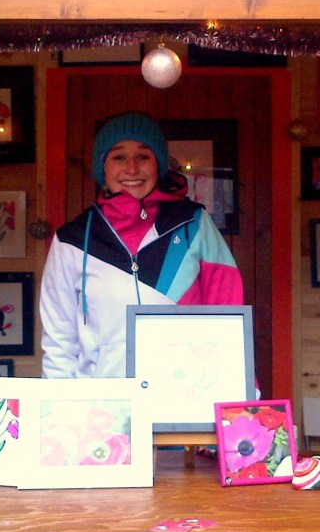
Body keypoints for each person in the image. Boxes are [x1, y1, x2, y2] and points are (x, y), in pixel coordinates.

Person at [40, 111, 243, 378]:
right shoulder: (72, 240)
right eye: (119, 157)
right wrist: (58, 401)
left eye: (143, 156)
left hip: (183, 390)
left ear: (158, 165)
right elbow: (59, 342)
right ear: (103, 167)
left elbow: (228, 311)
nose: (132, 168)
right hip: (101, 398)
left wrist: (238, 386)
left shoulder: (193, 224)